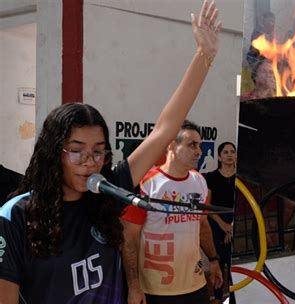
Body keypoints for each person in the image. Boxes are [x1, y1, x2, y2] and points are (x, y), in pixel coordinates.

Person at [0, 1, 221, 303]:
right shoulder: (16, 216)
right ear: (54, 153)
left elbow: (164, 130)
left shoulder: (108, 194)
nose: (89, 162)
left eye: (99, 151)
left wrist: (204, 56)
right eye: (76, 151)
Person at [121, 120, 223, 304]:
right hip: (156, 289)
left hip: (195, 284)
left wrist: (214, 260)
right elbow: (129, 238)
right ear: (171, 146)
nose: (199, 151)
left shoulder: (199, 181)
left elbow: (202, 224)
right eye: (192, 145)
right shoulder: (146, 183)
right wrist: (134, 286)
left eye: (199, 145)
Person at [204, 142, 237, 304]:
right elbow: (208, 207)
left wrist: (231, 229)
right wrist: (223, 226)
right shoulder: (210, 177)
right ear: (219, 156)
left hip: (234, 226)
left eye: (232, 152)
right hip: (216, 225)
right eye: (225, 152)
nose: (229, 155)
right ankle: (217, 298)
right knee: (219, 261)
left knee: (233, 264)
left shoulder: (241, 179)